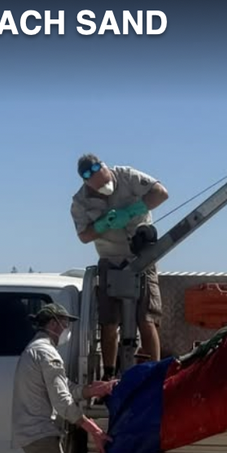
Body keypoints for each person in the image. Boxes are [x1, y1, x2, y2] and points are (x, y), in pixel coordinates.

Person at [11, 302, 116, 453]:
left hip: (32, 435)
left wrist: (92, 389)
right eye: (65, 322)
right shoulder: (47, 353)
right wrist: (95, 430)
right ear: (53, 323)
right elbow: (63, 403)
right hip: (42, 435)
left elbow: (65, 388)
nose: (67, 328)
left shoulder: (35, 350)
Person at [70, 154, 169, 379]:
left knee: (147, 318)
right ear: (86, 183)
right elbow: (84, 235)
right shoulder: (80, 201)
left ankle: (155, 372)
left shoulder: (126, 176)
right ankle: (109, 374)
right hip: (110, 259)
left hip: (142, 257)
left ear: (106, 168)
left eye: (107, 182)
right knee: (109, 321)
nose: (106, 188)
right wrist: (102, 225)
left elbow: (161, 193)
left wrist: (132, 211)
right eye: (100, 186)